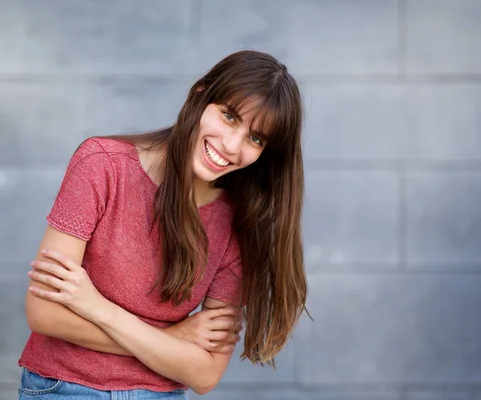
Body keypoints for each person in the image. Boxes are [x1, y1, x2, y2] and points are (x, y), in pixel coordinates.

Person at [17, 49, 308, 399]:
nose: (232, 146)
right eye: (229, 117)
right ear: (200, 96)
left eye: (255, 138)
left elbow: (204, 374)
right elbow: (44, 313)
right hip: (65, 387)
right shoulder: (102, 166)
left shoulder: (238, 223)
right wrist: (173, 337)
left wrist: (96, 307)